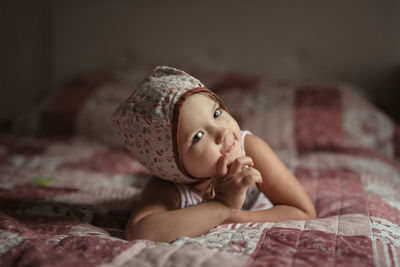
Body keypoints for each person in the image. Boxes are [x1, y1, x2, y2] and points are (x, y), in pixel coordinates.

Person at [112, 66, 316, 243]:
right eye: (198, 136)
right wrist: (221, 206)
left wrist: (229, 215)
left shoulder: (250, 148)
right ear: (172, 164)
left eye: (216, 113)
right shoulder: (168, 186)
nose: (221, 132)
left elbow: (303, 211)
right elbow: (138, 231)